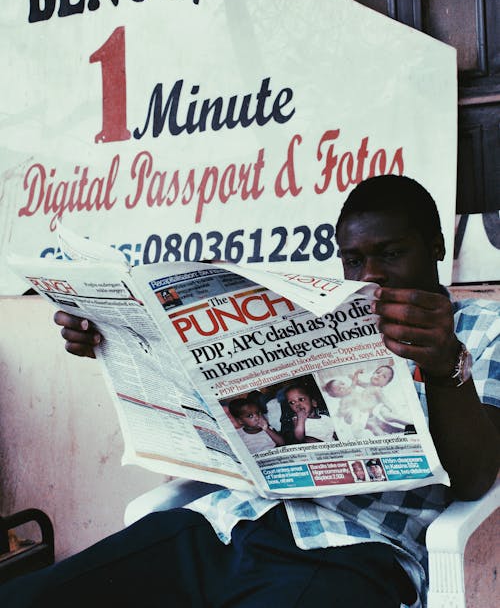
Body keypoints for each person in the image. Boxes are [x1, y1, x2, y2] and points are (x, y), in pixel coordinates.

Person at [2, 174, 498, 608]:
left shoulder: (483, 329)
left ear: (436, 246)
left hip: (351, 550)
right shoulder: (319, 316)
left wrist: (443, 364)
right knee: (30, 597)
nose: (370, 275)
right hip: (221, 524)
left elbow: (477, 479)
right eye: (353, 259)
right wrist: (113, 337)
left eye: (391, 253)